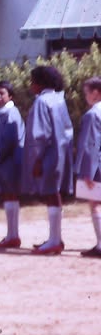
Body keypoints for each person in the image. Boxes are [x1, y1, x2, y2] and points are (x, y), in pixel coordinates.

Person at [22, 65, 74, 255]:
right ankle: (55, 237)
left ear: (40, 83)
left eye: (32, 81)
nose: (31, 85)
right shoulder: (59, 99)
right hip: (60, 151)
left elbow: (39, 135)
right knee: (55, 195)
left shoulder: (41, 102)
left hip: (46, 154)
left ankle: (54, 240)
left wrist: (36, 160)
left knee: (51, 194)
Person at [0, 81, 25, 249]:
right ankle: (11, 234)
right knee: (8, 197)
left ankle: (14, 234)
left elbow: (9, 141)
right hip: (4, 161)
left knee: (11, 196)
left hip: (10, 161)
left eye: (1, 93)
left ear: (9, 96)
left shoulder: (11, 113)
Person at [76, 77, 101, 258]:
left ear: (95, 92)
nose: (85, 97)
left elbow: (90, 144)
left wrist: (87, 172)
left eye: (86, 93)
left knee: (95, 204)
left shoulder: (93, 114)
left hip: (98, 165)